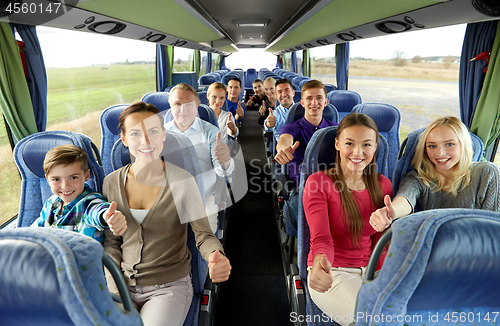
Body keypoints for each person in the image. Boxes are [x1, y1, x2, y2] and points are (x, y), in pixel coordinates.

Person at [103, 102, 231, 326]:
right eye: (135, 133)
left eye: (153, 131)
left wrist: (215, 255)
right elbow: (111, 243)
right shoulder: (111, 182)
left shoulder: (183, 181)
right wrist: (115, 291)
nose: (146, 141)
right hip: (121, 285)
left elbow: (203, 235)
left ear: (164, 135)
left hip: (168, 287)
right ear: (123, 139)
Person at [304, 113, 392, 326]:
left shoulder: (383, 185)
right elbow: (321, 238)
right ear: (337, 144)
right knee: (374, 318)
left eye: (367, 145)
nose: (358, 152)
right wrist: (319, 262)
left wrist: (383, 279)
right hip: (334, 273)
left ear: (375, 147)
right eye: (349, 143)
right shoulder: (319, 183)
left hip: (372, 272)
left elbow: (382, 243)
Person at [370, 116, 500, 232]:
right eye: (432, 146)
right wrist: (391, 212)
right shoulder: (418, 179)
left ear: (463, 145)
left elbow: (493, 228)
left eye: (449, 144)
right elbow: (406, 198)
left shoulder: (487, 173)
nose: (440, 153)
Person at [165, 83, 235, 234]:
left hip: (204, 198)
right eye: (177, 104)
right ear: (170, 105)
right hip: (168, 199)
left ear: (197, 105)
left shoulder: (211, 132)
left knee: (206, 243)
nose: (183, 110)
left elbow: (222, 171)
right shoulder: (161, 134)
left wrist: (225, 162)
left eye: (189, 104)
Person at [275, 80, 338, 234]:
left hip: (333, 184)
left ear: (326, 101)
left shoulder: (335, 129)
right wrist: (283, 149)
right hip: (302, 185)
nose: (314, 103)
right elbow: (284, 139)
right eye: (309, 98)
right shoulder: (292, 127)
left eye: (319, 98)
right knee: (317, 225)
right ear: (302, 102)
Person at [31, 144, 127, 242]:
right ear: (47, 179)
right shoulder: (50, 203)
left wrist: (107, 216)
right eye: (56, 179)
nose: (65, 186)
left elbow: (97, 211)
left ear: (86, 176)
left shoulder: (88, 203)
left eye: (73, 177)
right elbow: (35, 230)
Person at [264, 78, 296, 144]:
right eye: (280, 92)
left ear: (293, 92)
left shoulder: (304, 110)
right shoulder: (275, 113)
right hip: (285, 150)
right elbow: (267, 125)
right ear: (276, 95)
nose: (284, 94)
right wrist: (269, 124)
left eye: (287, 90)